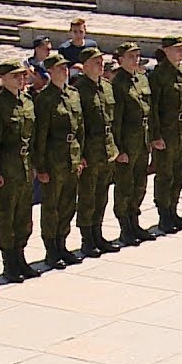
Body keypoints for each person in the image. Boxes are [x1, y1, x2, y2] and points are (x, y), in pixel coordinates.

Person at [34, 52, 86, 267]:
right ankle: (51, 249)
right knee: (52, 206)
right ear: (50, 72)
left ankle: (62, 243)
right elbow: (40, 136)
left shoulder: (72, 94)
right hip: (54, 160)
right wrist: (41, 167)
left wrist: (80, 155)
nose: (64, 71)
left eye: (66, 68)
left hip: (71, 158)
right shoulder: (45, 99)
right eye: (59, 69)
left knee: (67, 205)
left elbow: (80, 127)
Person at [0, 60, 38, 283]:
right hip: (7, 169)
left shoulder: (27, 101)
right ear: (4, 79)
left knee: (24, 216)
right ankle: (9, 262)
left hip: (25, 167)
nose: (21, 80)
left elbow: (33, 136)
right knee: (7, 216)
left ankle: (21, 256)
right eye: (15, 76)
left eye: (22, 76)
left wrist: (36, 163)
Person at [74, 46, 122, 255]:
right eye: (96, 62)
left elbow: (113, 120)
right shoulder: (79, 91)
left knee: (102, 194)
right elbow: (77, 125)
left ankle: (98, 233)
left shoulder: (107, 87)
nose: (101, 65)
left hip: (106, 150)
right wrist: (80, 155)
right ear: (84, 66)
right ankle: (87, 239)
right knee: (87, 196)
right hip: (90, 152)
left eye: (102, 61)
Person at [109, 43, 156, 246]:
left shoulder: (142, 78)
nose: (135, 59)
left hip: (142, 141)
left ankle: (134, 220)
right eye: (130, 56)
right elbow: (115, 120)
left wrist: (152, 138)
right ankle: (124, 226)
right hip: (127, 142)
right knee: (125, 187)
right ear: (120, 60)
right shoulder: (117, 84)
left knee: (140, 184)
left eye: (137, 56)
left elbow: (150, 111)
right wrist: (118, 149)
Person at [150, 36, 182, 233]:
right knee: (165, 176)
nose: (181, 52)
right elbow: (153, 108)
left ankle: (173, 209)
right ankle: (164, 214)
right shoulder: (158, 75)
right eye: (177, 49)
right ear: (166, 50)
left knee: (179, 174)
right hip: (166, 132)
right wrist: (155, 135)